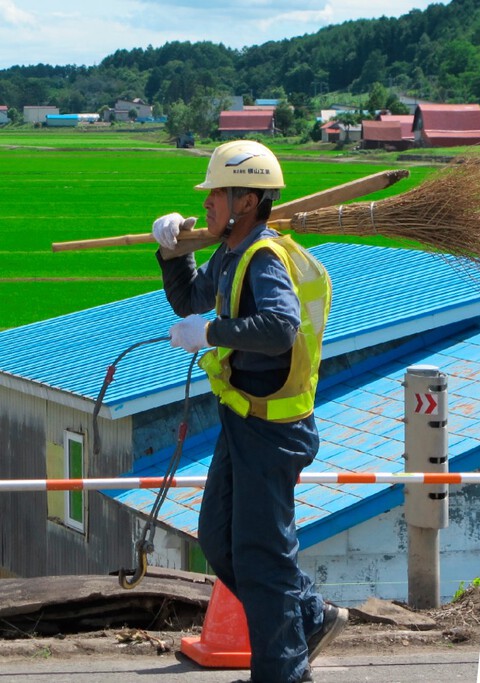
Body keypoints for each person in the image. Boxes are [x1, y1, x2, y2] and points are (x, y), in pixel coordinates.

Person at [152, 140, 345, 683]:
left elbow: (281, 328)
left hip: (272, 431)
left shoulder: (262, 258)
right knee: (218, 538)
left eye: (218, 192)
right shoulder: (230, 252)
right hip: (242, 421)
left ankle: (282, 674)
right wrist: (173, 252)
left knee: (262, 554)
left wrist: (210, 332)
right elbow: (192, 299)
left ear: (247, 199)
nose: (208, 202)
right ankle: (308, 617)